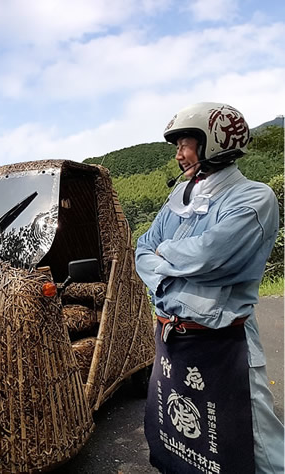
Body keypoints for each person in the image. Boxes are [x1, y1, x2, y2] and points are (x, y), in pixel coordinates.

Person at [135, 102, 284, 473]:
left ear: (214, 142)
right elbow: (141, 249)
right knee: (182, 436)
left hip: (224, 342)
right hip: (175, 340)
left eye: (185, 144)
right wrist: (170, 264)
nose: (179, 156)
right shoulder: (180, 197)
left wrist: (163, 254)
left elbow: (211, 256)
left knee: (254, 440)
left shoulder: (253, 198)